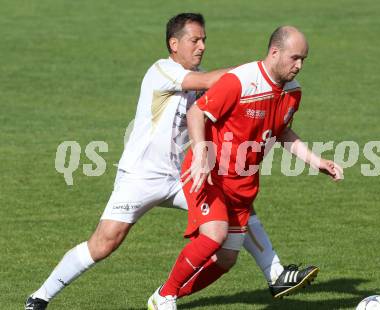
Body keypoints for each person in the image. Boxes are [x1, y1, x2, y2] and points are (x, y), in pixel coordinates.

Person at [25, 13, 312, 310]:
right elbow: (215, 80)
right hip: (140, 176)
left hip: (180, 176)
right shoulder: (162, 70)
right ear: (174, 44)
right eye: (194, 40)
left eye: (204, 40)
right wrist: (262, 70)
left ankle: (273, 272)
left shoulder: (203, 80)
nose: (201, 46)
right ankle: (40, 297)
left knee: (231, 208)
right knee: (104, 243)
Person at [147, 25, 343, 310]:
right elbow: (196, 112)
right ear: (275, 52)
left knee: (226, 260)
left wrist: (316, 161)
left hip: (243, 182)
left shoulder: (292, 92)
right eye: (295, 58)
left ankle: (166, 295)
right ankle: (165, 295)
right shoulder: (240, 80)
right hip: (209, 172)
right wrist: (201, 153)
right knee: (213, 235)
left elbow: (282, 132)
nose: (299, 66)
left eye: (303, 60)